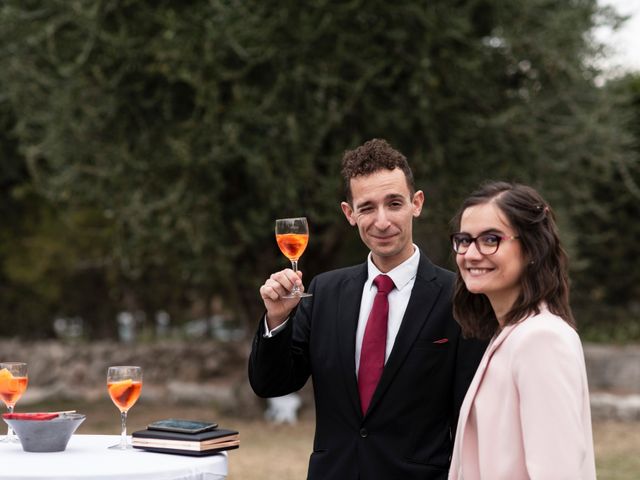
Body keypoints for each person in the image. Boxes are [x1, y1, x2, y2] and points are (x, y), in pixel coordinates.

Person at [249, 138, 487, 480]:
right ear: (349, 213)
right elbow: (270, 384)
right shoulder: (324, 291)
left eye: (394, 203)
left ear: (416, 203)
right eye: (367, 208)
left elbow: (471, 418)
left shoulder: (461, 297)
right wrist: (277, 319)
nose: (382, 221)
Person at [447, 181, 596, 479]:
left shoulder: (542, 339)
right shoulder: (508, 334)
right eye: (464, 240)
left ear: (531, 249)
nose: (471, 254)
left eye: (491, 239)